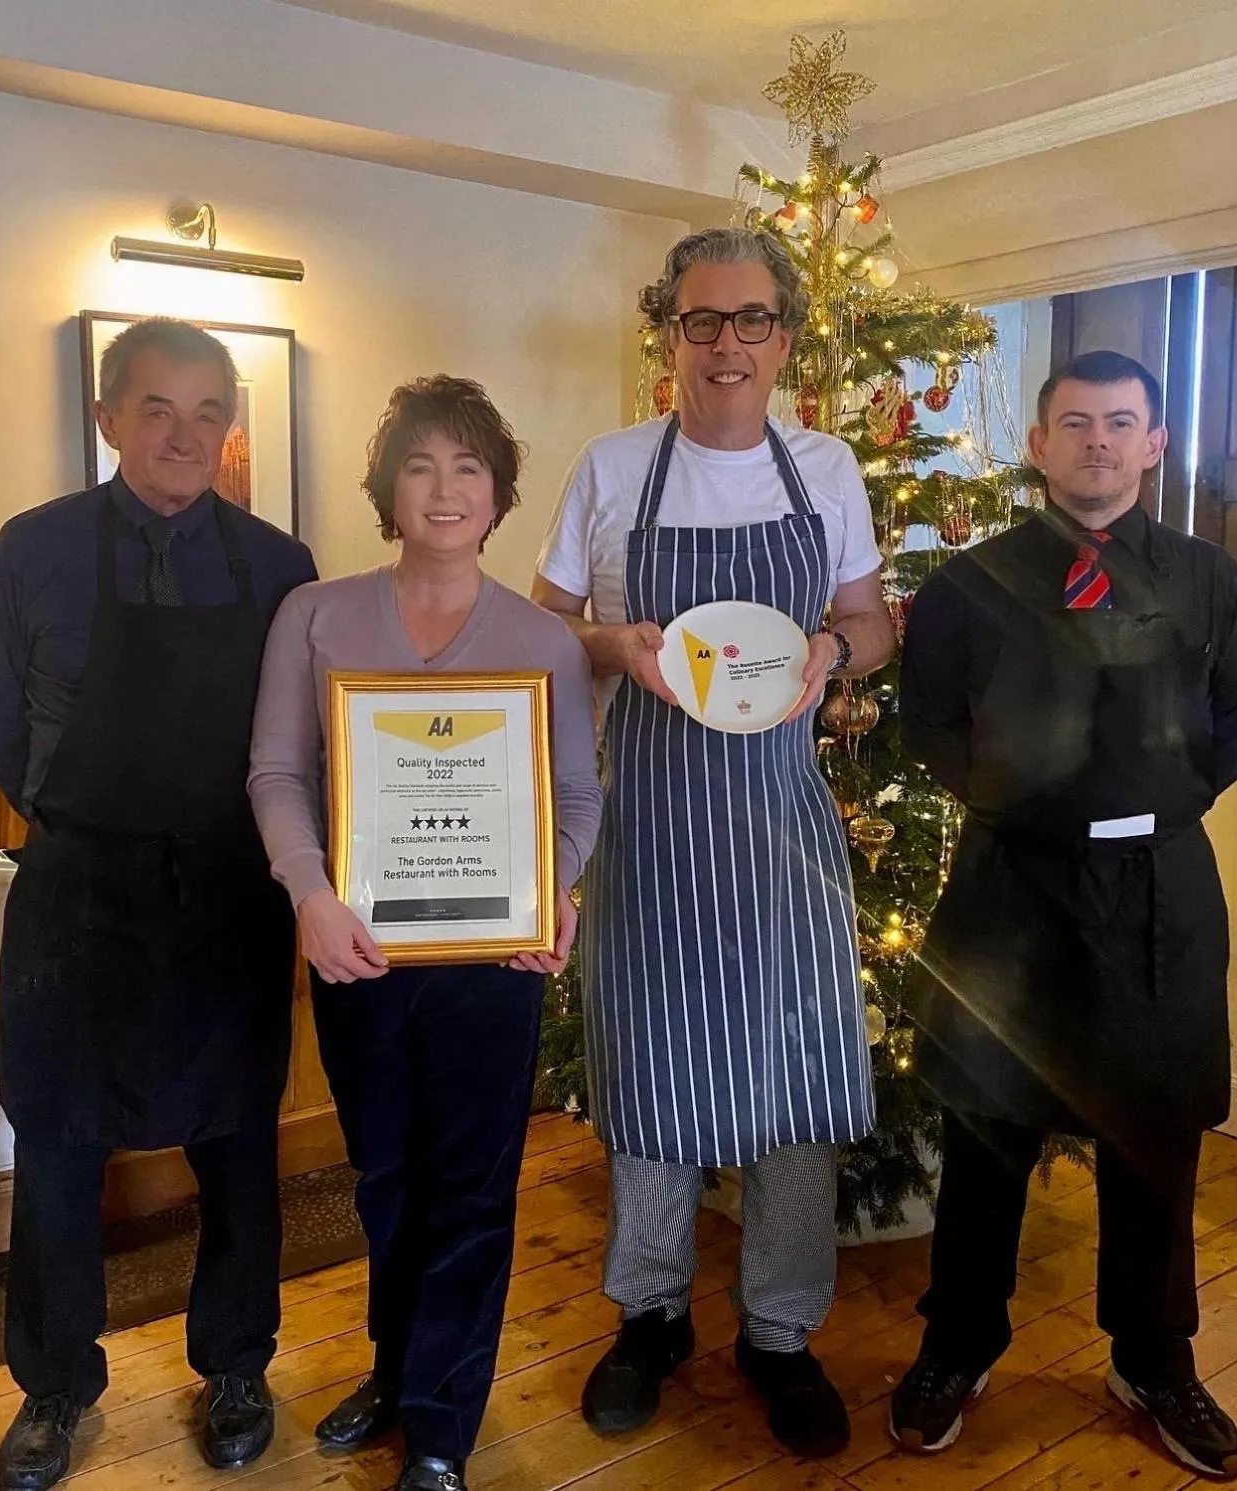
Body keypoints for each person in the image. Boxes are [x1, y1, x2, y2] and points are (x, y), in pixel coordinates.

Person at [532, 227, 895, 1458]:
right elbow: (544, 633)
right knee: (649, 1074)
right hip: (648, 830)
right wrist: (610, 647)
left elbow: (868, 621)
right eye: (701, 321)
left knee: (794, 1087)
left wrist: (832, 656)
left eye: (751, 320)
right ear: (669, 334)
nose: (727, 343)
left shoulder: (828, 466)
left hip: (782, 832)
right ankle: (648, 1318)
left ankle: (780, 1334)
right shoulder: (613, 466)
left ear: (785, 337)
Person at [893, 350, 1237, 1480]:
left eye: (1120, 423)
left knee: (1153, 1144)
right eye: (1074, 422)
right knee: (986, 1136)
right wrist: (1033, 805)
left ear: (1156, 443)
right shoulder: (970, 586)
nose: (1097, 442)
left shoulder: (1214, 583)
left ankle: (1154, 1360)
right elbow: (930, 724)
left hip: (1159, 896)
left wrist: (1135, 805)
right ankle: (957, 1346)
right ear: (1038, 445)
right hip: (1011, 893)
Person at [0, 318, 318, 1491]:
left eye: (208, 411)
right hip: (80, 893)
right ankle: (54, 1387)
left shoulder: (281, 565)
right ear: (110, 418)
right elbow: (1, 732)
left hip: (230, 893)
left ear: (230, 428)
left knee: (238, 1146)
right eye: (158, 409)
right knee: (59, 1148)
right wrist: (96, 830)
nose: (184, 433)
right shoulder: (34, 547)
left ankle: (236, 1366)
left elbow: (303, 739)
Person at [247, 375, 602, 1491]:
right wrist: (310, 893)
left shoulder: (544, 638)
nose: (444, 489)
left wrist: (557, 890)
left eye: (467, 468)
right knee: (385, 1179)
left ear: (497, 495)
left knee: (476, 1186)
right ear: (388, 488)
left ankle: (443, 1422)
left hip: (494, 959)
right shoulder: (315, 614)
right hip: (359, 951)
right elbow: (276, 771)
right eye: (420, 465)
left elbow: (577, 799)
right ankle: (395, 1370)